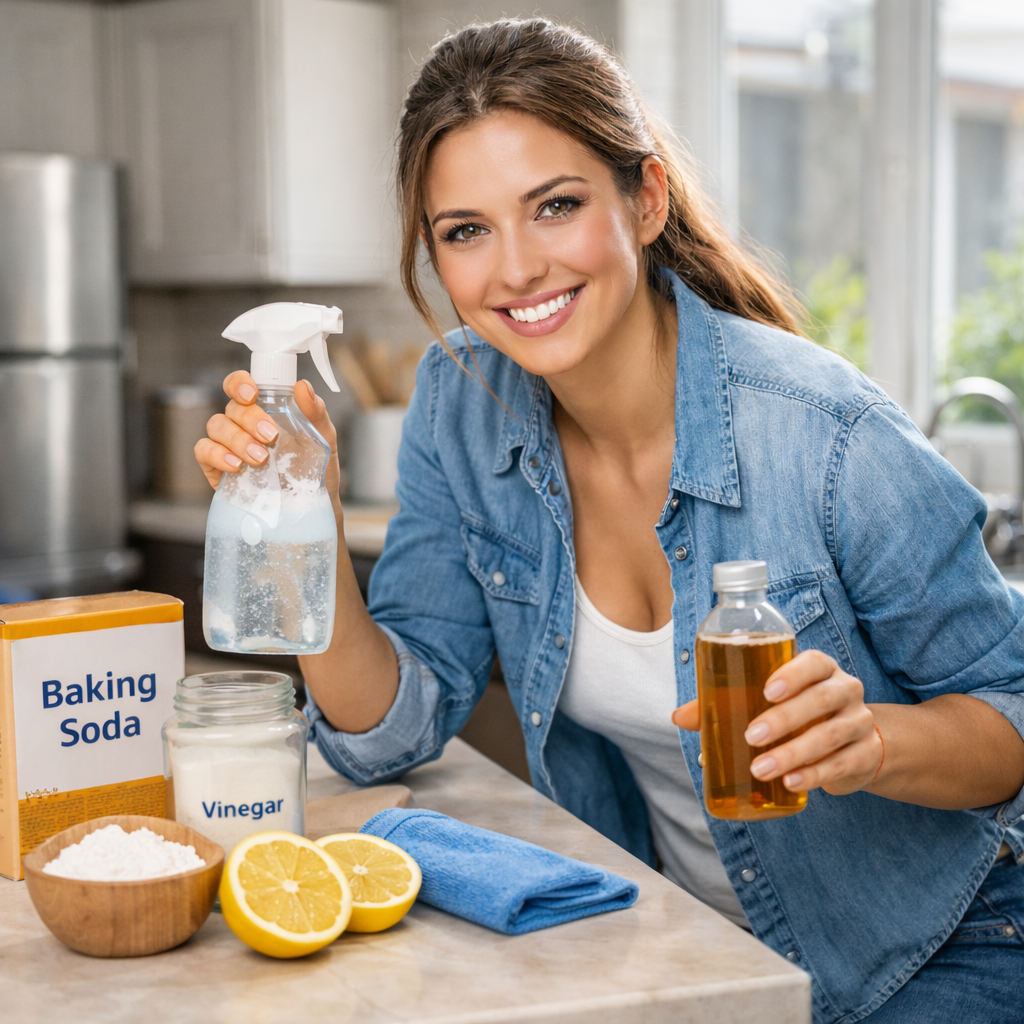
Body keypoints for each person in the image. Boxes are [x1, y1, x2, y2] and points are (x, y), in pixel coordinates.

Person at [195, 19, 1024, 1024]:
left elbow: (1009, 713)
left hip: (934, 947)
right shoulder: (460, 402)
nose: (514, 271)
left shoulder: (825, 436)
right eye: (465, 230)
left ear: (644, 200)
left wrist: (871, 741)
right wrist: (308, 531)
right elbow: (394, 729)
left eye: (554, 207)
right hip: (677, 943)